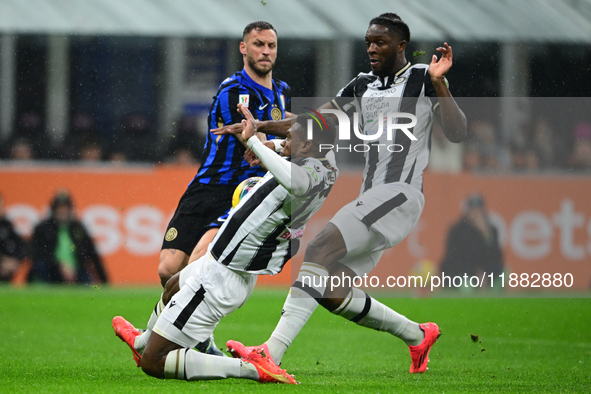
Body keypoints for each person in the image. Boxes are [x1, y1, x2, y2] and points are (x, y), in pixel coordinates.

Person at [218, 13, 467, 374]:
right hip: (372, 197)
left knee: (319, 247)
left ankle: (271, 353)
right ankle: (417, 336)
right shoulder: (362, 85)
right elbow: (316, 121)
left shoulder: (420, 78)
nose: (371, 48)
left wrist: (440, 83)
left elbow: (457, 132)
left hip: (400, 193)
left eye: (380, 42)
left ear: (400, 46)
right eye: (368, 41)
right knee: (330, 289)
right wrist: (262, 131)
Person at [112, 106, 338, 384]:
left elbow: (294, 180)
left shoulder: (305, 176)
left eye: (289, 139)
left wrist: (254, 140)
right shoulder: (323, 161)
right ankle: (142, 342)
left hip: (221, 277)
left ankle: (253, 369)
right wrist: (274, 143)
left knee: (155, 363)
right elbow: (295, 149)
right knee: (173, 285)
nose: (283, 143)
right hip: (221, 263)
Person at [158, 21, 290, 287]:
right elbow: (252, 139)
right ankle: (181, 325)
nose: (266, 51)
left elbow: (288, 130)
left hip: (242, 192)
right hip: (207, 186)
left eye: (271, 46)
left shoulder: (281, 92)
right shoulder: (234, 90)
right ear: (243, 48)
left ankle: (166, 329)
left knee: (197, 266)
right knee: (168, 270)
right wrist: (283, 140)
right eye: (258, 44)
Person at [28, 190, 108, 284]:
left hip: (76, 271)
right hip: (49, 271)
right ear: (54, 210)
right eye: (59, 208)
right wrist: (59, 266)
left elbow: (93, 255)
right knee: (41, 268)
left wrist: (105, 281)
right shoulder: (43, 229)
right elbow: (37, 254)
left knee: (88, 283)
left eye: (65, 208)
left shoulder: (78, 228)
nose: (62, 212)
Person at [440, 193, 504, 283]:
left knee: (503, 272)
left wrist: (486, 234)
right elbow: (455, 258)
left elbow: (496, 257)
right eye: (472, 210)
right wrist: (475, 272)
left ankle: (493, 295)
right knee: (465, 281)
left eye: (478, 210)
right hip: (464, 272)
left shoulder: (491, 231)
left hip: (485, 272)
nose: (475, 214)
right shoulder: (457, 230)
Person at [0, 192, 25, 282]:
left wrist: (15, 260)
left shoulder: (7, 225)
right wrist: (2, 260)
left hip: (7, 265)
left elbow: (20, 244)